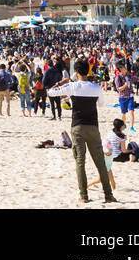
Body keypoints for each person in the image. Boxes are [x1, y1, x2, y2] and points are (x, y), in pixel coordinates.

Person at [46, 58, 116, 204]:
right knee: (100, 163)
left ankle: (84, 195)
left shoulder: (72, 86)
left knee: (80, 162)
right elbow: (102, 104)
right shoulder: (95, 87)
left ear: (76, 72)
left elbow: (51, 92)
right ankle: (108, 195)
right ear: (88, 70)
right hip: (93, 127)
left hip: (77, 127)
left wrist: (61, 82)